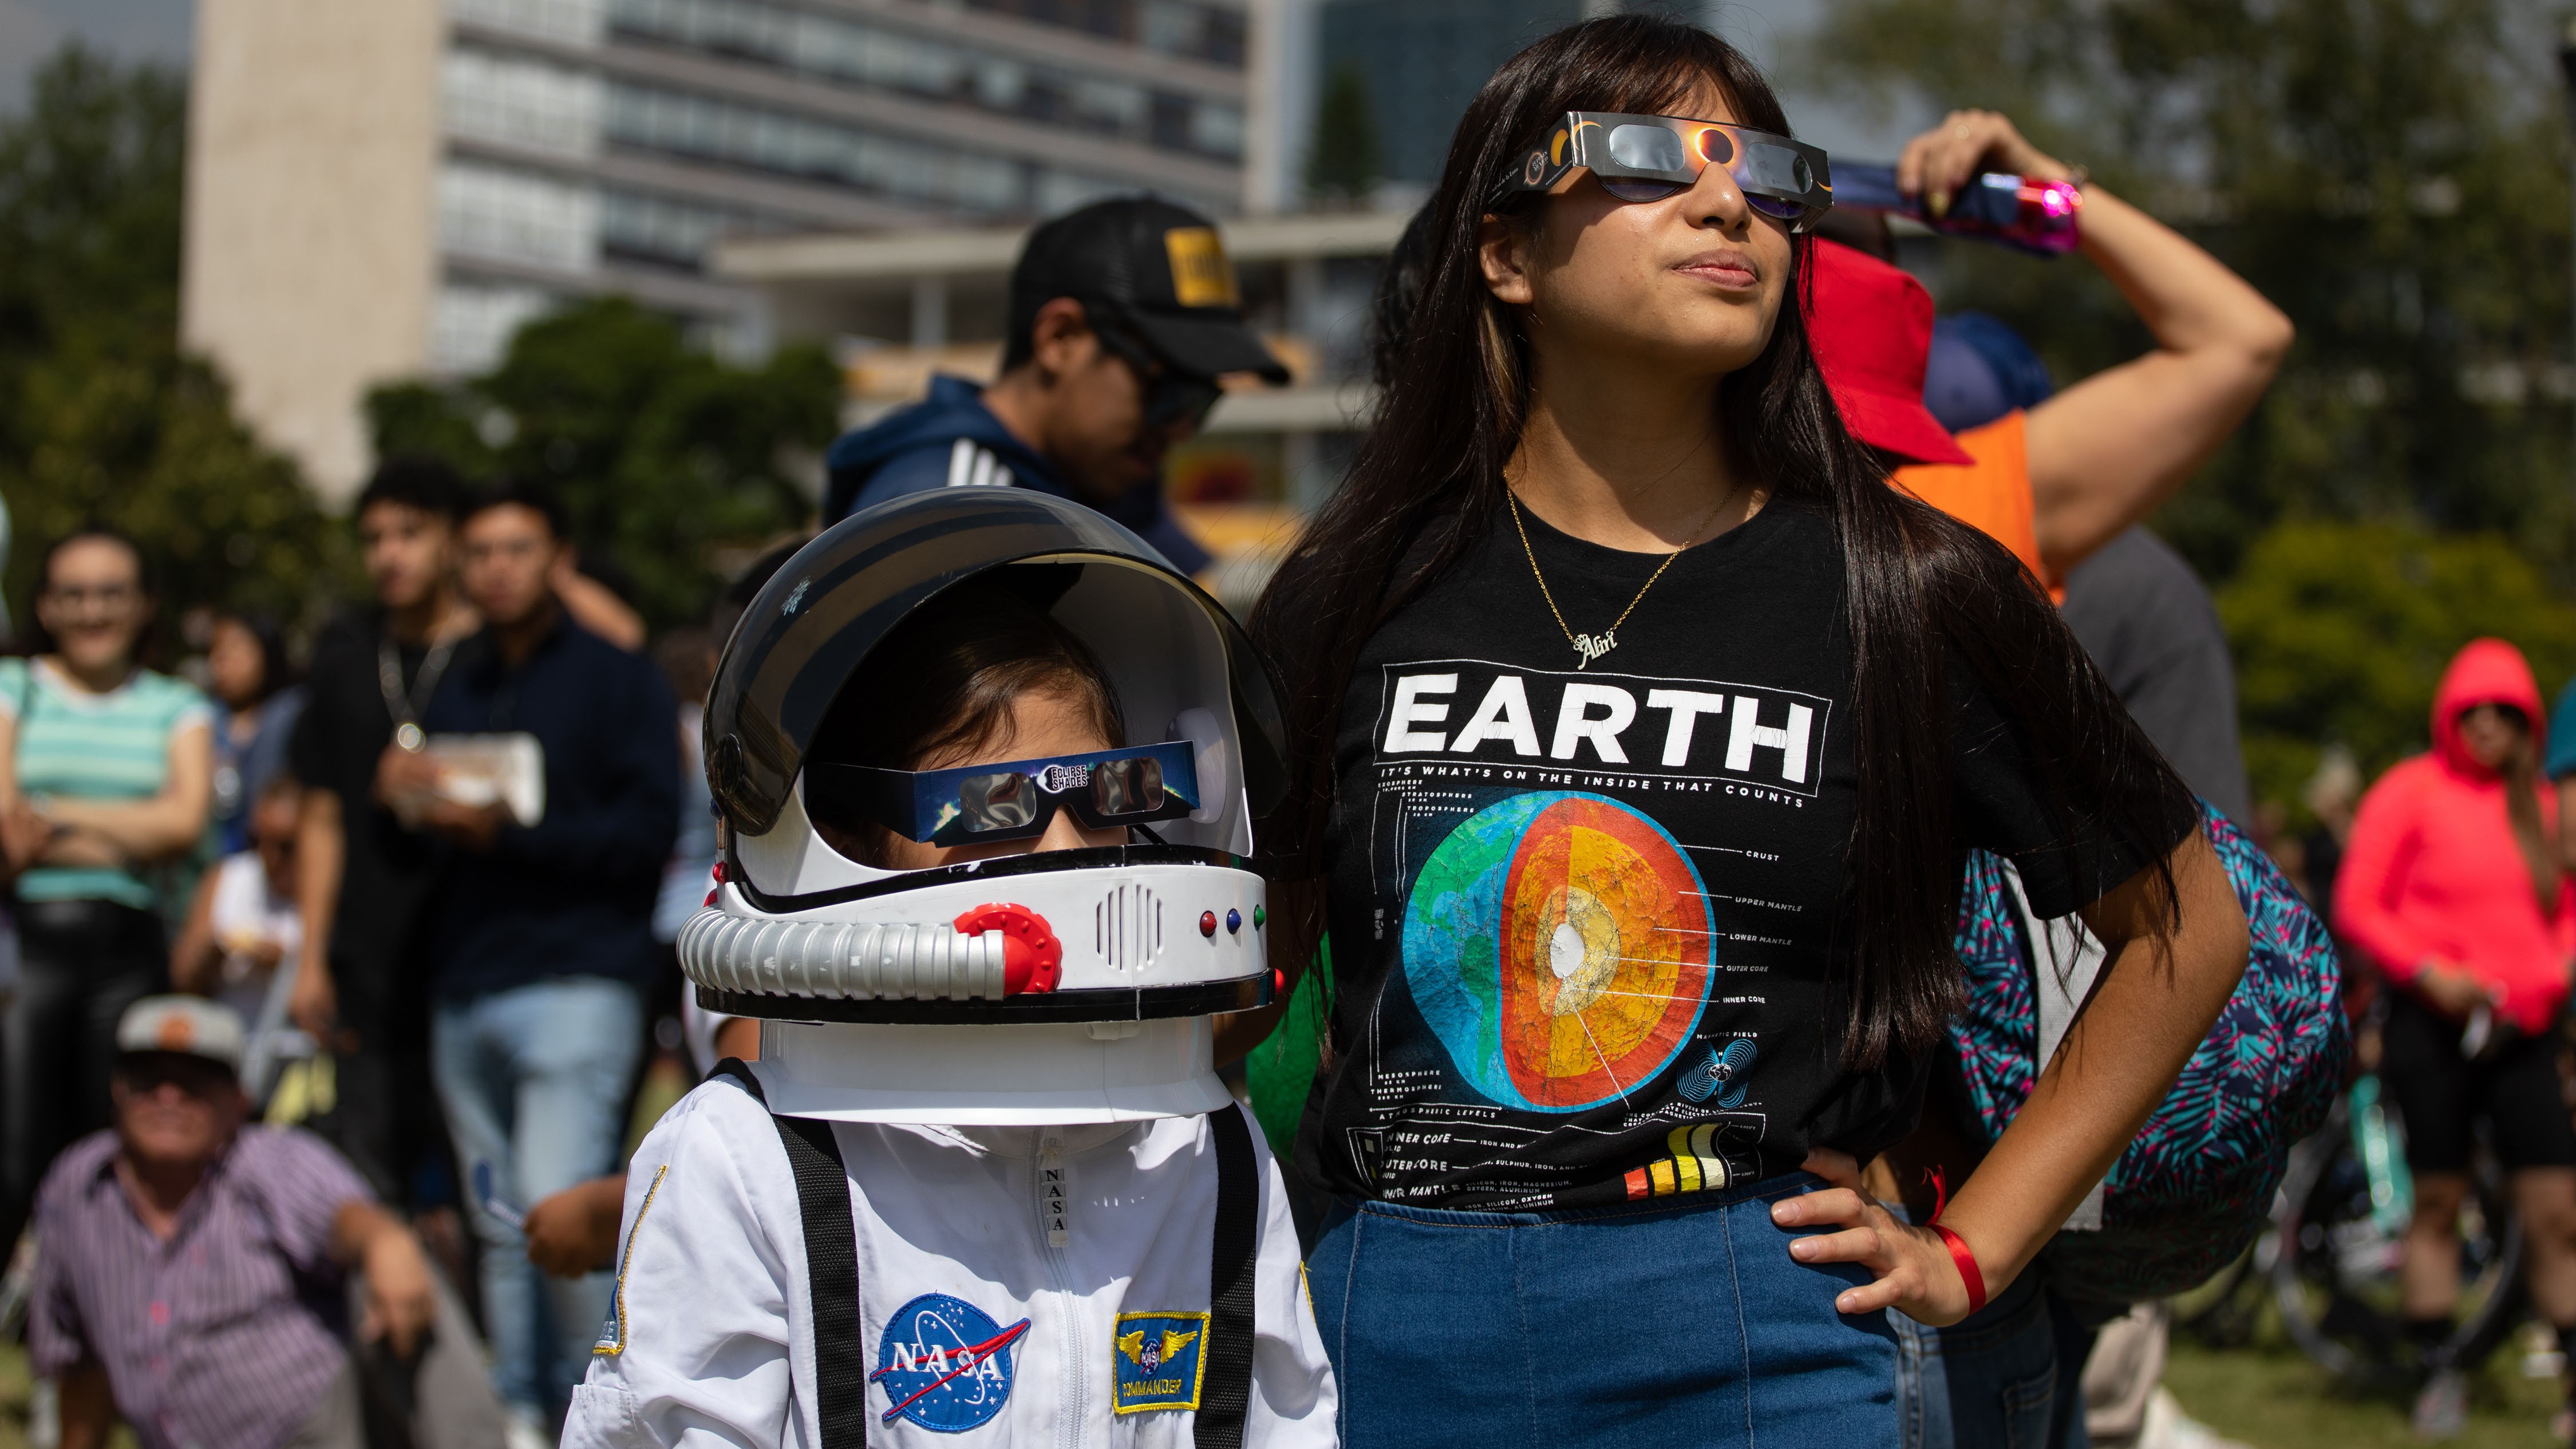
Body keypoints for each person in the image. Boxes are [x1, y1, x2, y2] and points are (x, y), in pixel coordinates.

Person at [1244, 17, 2250, 1447]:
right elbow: (1244, 970)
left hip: (1748, 1324)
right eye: (1649, 159)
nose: (1728, 203)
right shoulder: (1352, 590)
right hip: (1384, 1311)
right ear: (1504, 251)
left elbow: (2183, 926)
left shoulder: (1906, 590)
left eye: (1764, 172)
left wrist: (1977, 1245)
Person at [565, 488, 1334, 1447]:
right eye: (994, 804)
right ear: (844, 830)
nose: (1065, 850)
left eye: (1112, 791)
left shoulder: (1198, 1141)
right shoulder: (752, 1158)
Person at [385, 479, 678, 1438]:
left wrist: (508, 829)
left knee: (562, 1217)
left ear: (558, 558)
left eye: (516, 549)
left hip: (577, 979)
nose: (495, 569)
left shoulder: (617, 677)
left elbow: (642, 839)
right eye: (478, 552)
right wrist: (406, 796)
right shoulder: (450, 678)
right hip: (465, 982)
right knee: (502, 1231)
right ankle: (517, 1414)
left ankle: (603, 1418)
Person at [30, 994, 503, 1449]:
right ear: (118, 1087)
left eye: (196, 1080)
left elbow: (357, 1222)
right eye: (147, 1077)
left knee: (397, 1272)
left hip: (319, 1431)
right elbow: (79, 1369)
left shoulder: (269, 1159)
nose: (168, 1096)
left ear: (238, 1098)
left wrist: (388, 1242)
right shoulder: (76, 1188)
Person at [1850, 110, 2293, 589]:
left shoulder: (1931, 512)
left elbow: (2245, 340)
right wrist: (2051, 188)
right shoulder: (1930, 520)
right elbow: (2240, 340)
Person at [2335, 638, 2576, 1440]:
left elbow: (2568, 906)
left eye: (2504, 709)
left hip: (2524, 1032)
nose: (2485, 723)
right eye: (2471, 708)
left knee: (2555, 1209)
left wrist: (2550, 976)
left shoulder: (2542, 804)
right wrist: (2431, 970)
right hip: (2433, 1028)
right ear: (2448, 713)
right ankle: (2436, 1368)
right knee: (2438, 1199)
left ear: (2527, 720)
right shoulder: (2409, 792)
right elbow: (2360, 900)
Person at [820, 195, 1290, 574]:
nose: (1182, 428)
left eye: (1204, 399)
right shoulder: (958, 513)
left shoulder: (1104, 486)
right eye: (1169, 392)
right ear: (1060, 339)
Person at [0, 528, 212, 1254]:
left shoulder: (177, 702)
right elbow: (6, 826)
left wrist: (54, 809)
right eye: (74, 594)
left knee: (114, 1143)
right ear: (46, 605)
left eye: (111, 592)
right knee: (17, 1138)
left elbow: (184, 823)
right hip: (26, 940)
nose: (93, 610)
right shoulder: (13, 687)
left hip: (132, 943)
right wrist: (131, 824)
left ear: (145, 603)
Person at [288, 457, 481, 1207]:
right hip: (364, 951)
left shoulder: (493, 655)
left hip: (469, 945)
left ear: (452, 540)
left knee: (467, 1173)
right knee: (371, 1163)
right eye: (374, 537)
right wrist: (309, 957)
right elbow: (321, 814)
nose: (390, 554)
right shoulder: (342, 664)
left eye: (410, 532)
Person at [169, 776, 304, 1082]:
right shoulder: (228, 878)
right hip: (226, 1054)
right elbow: (182, 982)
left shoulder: (329, 894)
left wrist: (289, 964)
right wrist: (211, 955)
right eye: (258, 841)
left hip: (297, 1059)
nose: (269, 857)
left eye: (286, 846)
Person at [205, 608, 306, 855]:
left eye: (236, 647)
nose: (223, 659)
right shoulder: (204, 718)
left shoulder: (291, 713)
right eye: (216, 650)